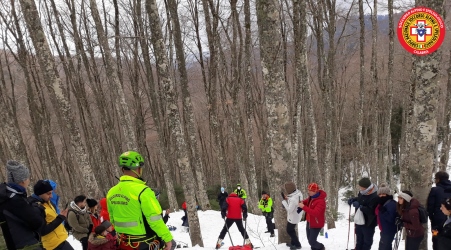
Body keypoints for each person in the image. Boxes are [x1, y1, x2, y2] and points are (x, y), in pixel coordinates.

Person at [107, 151, 173, 250]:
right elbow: (155, 219)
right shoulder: (143, 191)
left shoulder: (111, 192)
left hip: (123, 243)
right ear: (138, 169)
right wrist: (167, 239)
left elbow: (112, 218)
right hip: (144, 243)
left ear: (122, 169)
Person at [0, 160, 44, 249]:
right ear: (23, 181)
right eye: (28, 178)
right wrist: (38, 209)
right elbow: (37, 222)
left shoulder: (5, 196)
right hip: (26, 244)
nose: (29, 181)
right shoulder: (15, 199)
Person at [28, 180, 73, 250]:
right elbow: (42, 231)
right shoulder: (36, 207)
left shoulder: (47, 202)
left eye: (52, 193)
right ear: (40, 193)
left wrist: (62, 217)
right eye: (48, 194)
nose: (51, 196)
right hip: (53, 246)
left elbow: (52, 218)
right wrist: (60, 218)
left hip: (60, 241)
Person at [347, 177, 379, 250]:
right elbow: (360, 199)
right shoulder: (362, 192)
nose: (359, 187)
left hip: (368, 222)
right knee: (359, 237)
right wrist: (353, 199)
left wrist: (360, 206)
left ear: (365, 187)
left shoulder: (374, 195)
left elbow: (372, 211)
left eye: (360, 186)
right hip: (359, 220)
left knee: (367, 240)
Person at [298, 183, 326, 250]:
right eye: (308, 190)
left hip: (316, 223)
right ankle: (314, 248)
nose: (309, 192)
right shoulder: (311, 197)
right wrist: (302, 202)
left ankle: (321, 247)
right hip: (309, 221)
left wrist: (303, 207)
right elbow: (306, 201)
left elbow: (315, 213)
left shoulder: (321, 201)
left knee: (312, 241)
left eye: (311, 191)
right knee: (309, 240)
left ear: (315, 191)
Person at [427, 171, 451, 250]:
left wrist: (432, 218)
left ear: (438, 179)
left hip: (438, 220)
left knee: (436, 241)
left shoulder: (435, 190)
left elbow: (430, 207)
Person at [375, 184, 397, 250]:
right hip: (384, 229)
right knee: (386, 247)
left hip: (389, 230)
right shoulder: (382, 203)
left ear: (387, 194)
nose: (381, 196)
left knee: (383, 247)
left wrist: (383, 212)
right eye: (380, 194)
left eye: (383, 194)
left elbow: (391, 219)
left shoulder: (391, 204)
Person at [282, 181, 303, 250]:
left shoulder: (293, 199)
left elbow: (289, 209)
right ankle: (293, 243)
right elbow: (294, 201)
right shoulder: (298, 193)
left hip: (293, 216)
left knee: (289, 230)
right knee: (291, 229)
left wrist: (284, 202)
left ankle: (297, 244)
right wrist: (288, 199)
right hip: (297, 214)